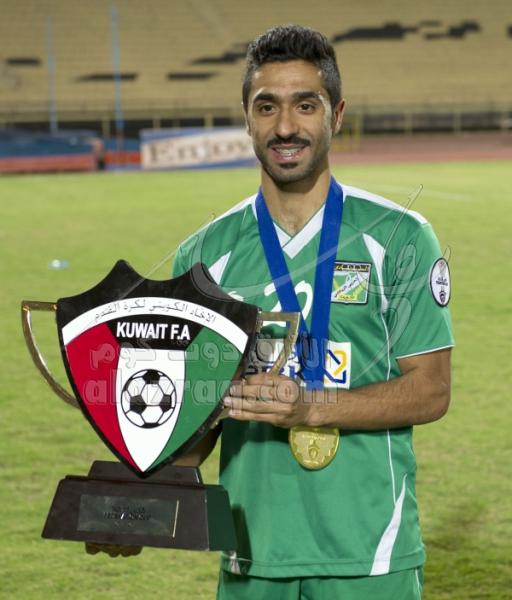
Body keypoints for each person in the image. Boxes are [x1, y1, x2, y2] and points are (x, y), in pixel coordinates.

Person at [172, 25, 454, 600]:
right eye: (267, 106)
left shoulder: (400, 237)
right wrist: (134, 506)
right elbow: (192, 421)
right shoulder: (204, 255)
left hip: (371, 556)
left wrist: (313, 406)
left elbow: (431, 390)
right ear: (246, 118)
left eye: (306, 105)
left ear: (337, 114)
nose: (285, 127)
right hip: (251, 555)